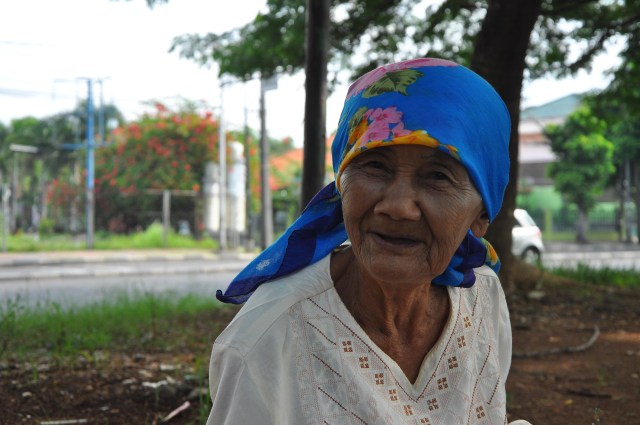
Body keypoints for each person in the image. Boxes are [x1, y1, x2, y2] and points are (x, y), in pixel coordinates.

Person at [207, 58, 532, 425]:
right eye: (375, 166)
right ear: (342, 183)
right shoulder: (268, 337)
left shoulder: (482, 297)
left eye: (437, 176)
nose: (397, 207)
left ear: (481, 216)